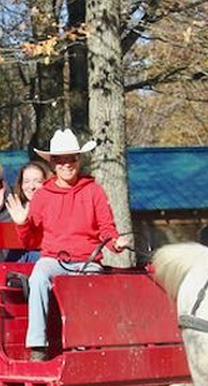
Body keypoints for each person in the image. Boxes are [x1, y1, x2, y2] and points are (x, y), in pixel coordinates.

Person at [7, 129, 130, 361]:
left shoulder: (93, 191)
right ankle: (37, 346)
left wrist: (116, 243)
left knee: (90, 285)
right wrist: (22, 223)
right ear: (53, 163)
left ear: (79, 160)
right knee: (39, 275)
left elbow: (106, 228)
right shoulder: (43, 195)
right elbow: (30, 241)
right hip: (54, 260)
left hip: (87, 260)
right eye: (61, 160)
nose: (66, 164)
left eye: (71, 158)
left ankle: (86, 346)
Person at [12, 161, 50, 263]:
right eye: (26, 181)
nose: (31, 186)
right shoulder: (15, 209)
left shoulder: (53, 208)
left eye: (37, 181)